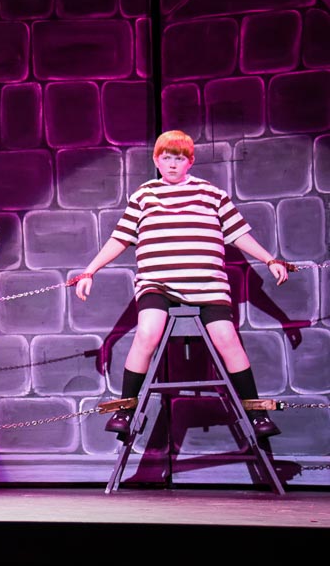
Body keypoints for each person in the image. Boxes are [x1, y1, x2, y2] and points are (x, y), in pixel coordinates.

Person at [74, 129, 289, 439]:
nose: (172, 164)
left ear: (190, 161)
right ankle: (126, 410)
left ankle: (257, 415)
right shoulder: (145, 195)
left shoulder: (210, 194)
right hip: (158, 284)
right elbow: (120, 239)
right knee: (147, 333)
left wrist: (269, 259)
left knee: (227, 338)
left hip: (207, 285)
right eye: (166, 158)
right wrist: (90, 271)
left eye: (179, 158)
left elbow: (239, 234)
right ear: (156, 161)